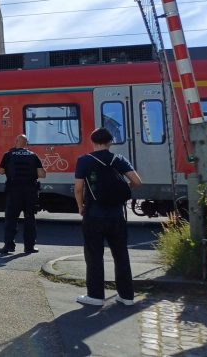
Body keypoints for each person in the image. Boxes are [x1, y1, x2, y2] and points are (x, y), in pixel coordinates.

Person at [74, 127, 143, 307]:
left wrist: (80, 206)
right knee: (121, 255)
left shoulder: (84, 160)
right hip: (116, 215)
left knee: (94, 255)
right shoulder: (118, 159)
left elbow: (78, 188)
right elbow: (137, 181)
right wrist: (122, 191)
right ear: (110, 141)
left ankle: (96, 296)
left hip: (93, 214)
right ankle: (127, 296)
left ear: (93, 141)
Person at [0, 134, 46, 254]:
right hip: (30, 192)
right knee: (30, 218)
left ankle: (8, 246)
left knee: (11, 219)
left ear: (16, 141)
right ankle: (29, 247)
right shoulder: (33, 155)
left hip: (13, 191)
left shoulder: (8, 155)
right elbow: (42, 174)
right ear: (27, 144)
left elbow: (1, 171)